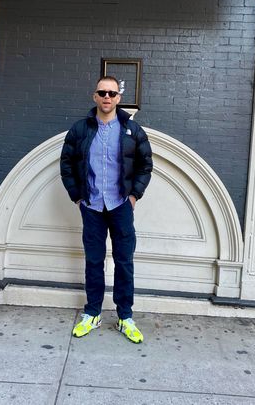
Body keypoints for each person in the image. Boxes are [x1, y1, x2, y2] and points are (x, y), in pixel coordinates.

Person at [60, 76, 152, 343]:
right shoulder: (80, 130)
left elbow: (145, 166)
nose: (107, 97)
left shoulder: (133, 130)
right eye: (102, 92)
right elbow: (66, 164)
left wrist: (134, 196)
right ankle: (93, 313)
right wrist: (77, 197)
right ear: (95, 96)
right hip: (91, 206)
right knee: (94, 260)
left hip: (121, 205)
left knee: (124, 261)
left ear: (118, 98)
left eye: (112, 93)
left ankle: (125, 317)